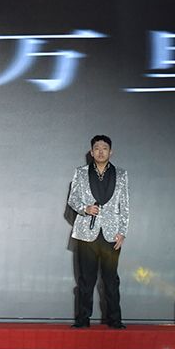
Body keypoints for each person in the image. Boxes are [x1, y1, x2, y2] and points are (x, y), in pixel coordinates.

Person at [67, 135, 130, 328]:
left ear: (111, 152)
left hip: (112, 234)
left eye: (104, 148)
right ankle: (82, 320)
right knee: (86, 279)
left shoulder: (121, 174)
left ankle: (115, 321)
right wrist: (84, 208)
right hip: (86, 233)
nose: (101, 151)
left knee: (111, 279)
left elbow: (125, 205)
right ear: (91, 152)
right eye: (97, 148)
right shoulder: (80, 172)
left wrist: (122, 232)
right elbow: (72, 199)